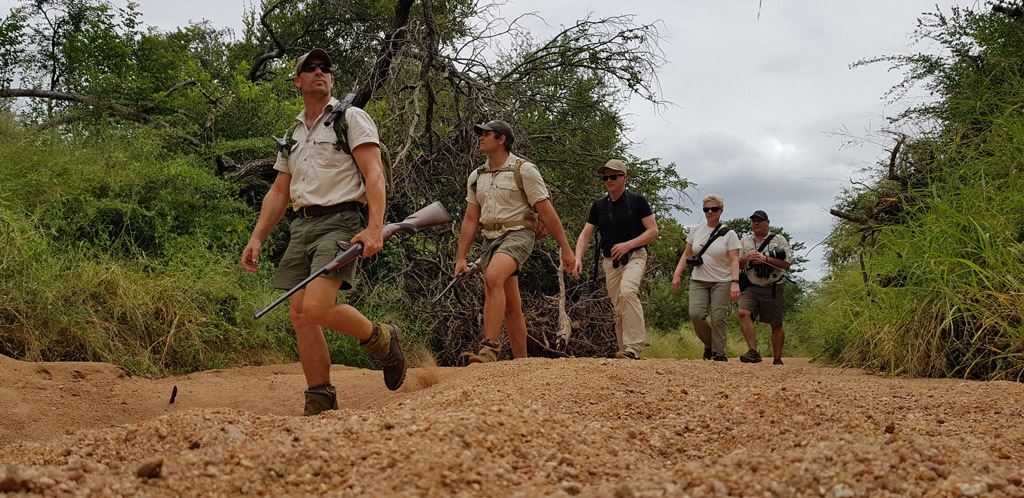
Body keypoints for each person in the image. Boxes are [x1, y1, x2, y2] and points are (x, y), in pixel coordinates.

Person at [240, 48, 405, 416]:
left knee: (316, 305)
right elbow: (279, 191)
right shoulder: (293, 132)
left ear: (331, 79)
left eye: (325, 68)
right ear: (297, 81)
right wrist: (257, 237)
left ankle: (382, 339)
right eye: (310, 68)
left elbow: (374, 174)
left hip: (341, 220)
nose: (319, 71)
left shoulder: (351, 119)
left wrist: (375, 227)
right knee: (299, 315)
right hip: (302, 224)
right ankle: (320, 399)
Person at [454, 119, 576, 363]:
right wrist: (461, 257)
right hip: (490, 239)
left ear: (501, 139)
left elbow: (546, 211)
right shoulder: (477, 176)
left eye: (486, 133)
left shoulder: (524, 170)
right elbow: (470, 219)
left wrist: (566, 248)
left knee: (493, 278)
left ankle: (489, 350)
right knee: (511, 304)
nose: (480, 137)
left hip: (519, 234)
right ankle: (522, 362)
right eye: (480, 133)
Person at [571, 159, 659, 359]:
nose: (608, 181)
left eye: (613, 177)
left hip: (635, 255)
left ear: (624, 178)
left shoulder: (637, 201)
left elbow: (653, 231)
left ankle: (634, 349)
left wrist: (629, 244)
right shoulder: (599, 205)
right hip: (611, 262)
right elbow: (585, 235)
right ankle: (625, 352)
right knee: (619, 307)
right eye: (605, 177)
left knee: (628, 292)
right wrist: (578, 258)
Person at [671, 194, 741, 361]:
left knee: (718, 317)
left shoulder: (729, 234)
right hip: (699, 279)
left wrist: (735, 283)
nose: (710, 212)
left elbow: (734, 260)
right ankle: (710, 344)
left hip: (722, 280)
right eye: (706, 209)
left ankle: (719, 353)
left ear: (721, 211)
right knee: (695, 314)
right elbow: (687, 254)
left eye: (714, 209)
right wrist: (677, 274)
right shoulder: (696, 230)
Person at [737, 210, 792, 365]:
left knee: (776, 323)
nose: (756, 223)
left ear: (767, 222)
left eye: (760, 221)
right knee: (743, 312)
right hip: (751, 285)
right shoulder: (745, 240)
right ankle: (753, 351)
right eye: (754, 221)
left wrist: (765, 259)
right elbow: (736, 263)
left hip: (773, 285)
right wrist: (747, 258)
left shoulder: (779, 240)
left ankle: (777, 358)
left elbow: (786, 264)